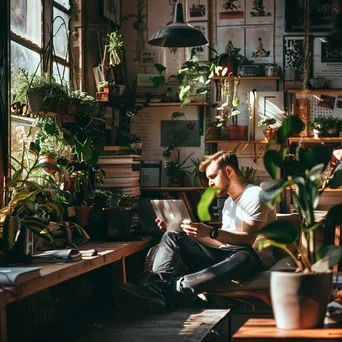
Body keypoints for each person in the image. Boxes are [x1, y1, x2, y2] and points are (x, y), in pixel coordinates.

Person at [116, 151, 277, 313]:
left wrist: (211, 231)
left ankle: (175, 288)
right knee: (172, 236)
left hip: (253, 259)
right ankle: (155, 287)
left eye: (213, 177)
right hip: (226, 255)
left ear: (229, 171)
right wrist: (190, 233)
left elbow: (247, 241)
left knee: (244, 254)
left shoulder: (255, 194)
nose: (209, 183)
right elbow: (223, 244)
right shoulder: (228, 203)